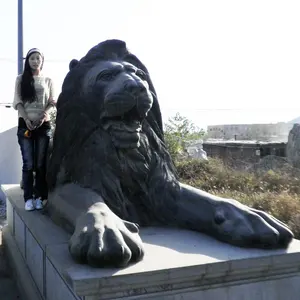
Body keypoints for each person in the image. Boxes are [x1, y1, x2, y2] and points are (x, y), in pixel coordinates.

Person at [13, 48, 56, 211]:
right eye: (32, 58)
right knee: (28, 164)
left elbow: (52, 102)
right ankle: (28, 198)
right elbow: (17, 102)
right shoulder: (20, 79)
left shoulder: (48, 80)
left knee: (40, 164)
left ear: (42, 61)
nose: (35, 61)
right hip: (25, 125)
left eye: (38, 58)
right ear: (27, 61)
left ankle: (40, 197)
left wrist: (44, 115)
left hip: (43, 125)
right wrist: (26, 119)